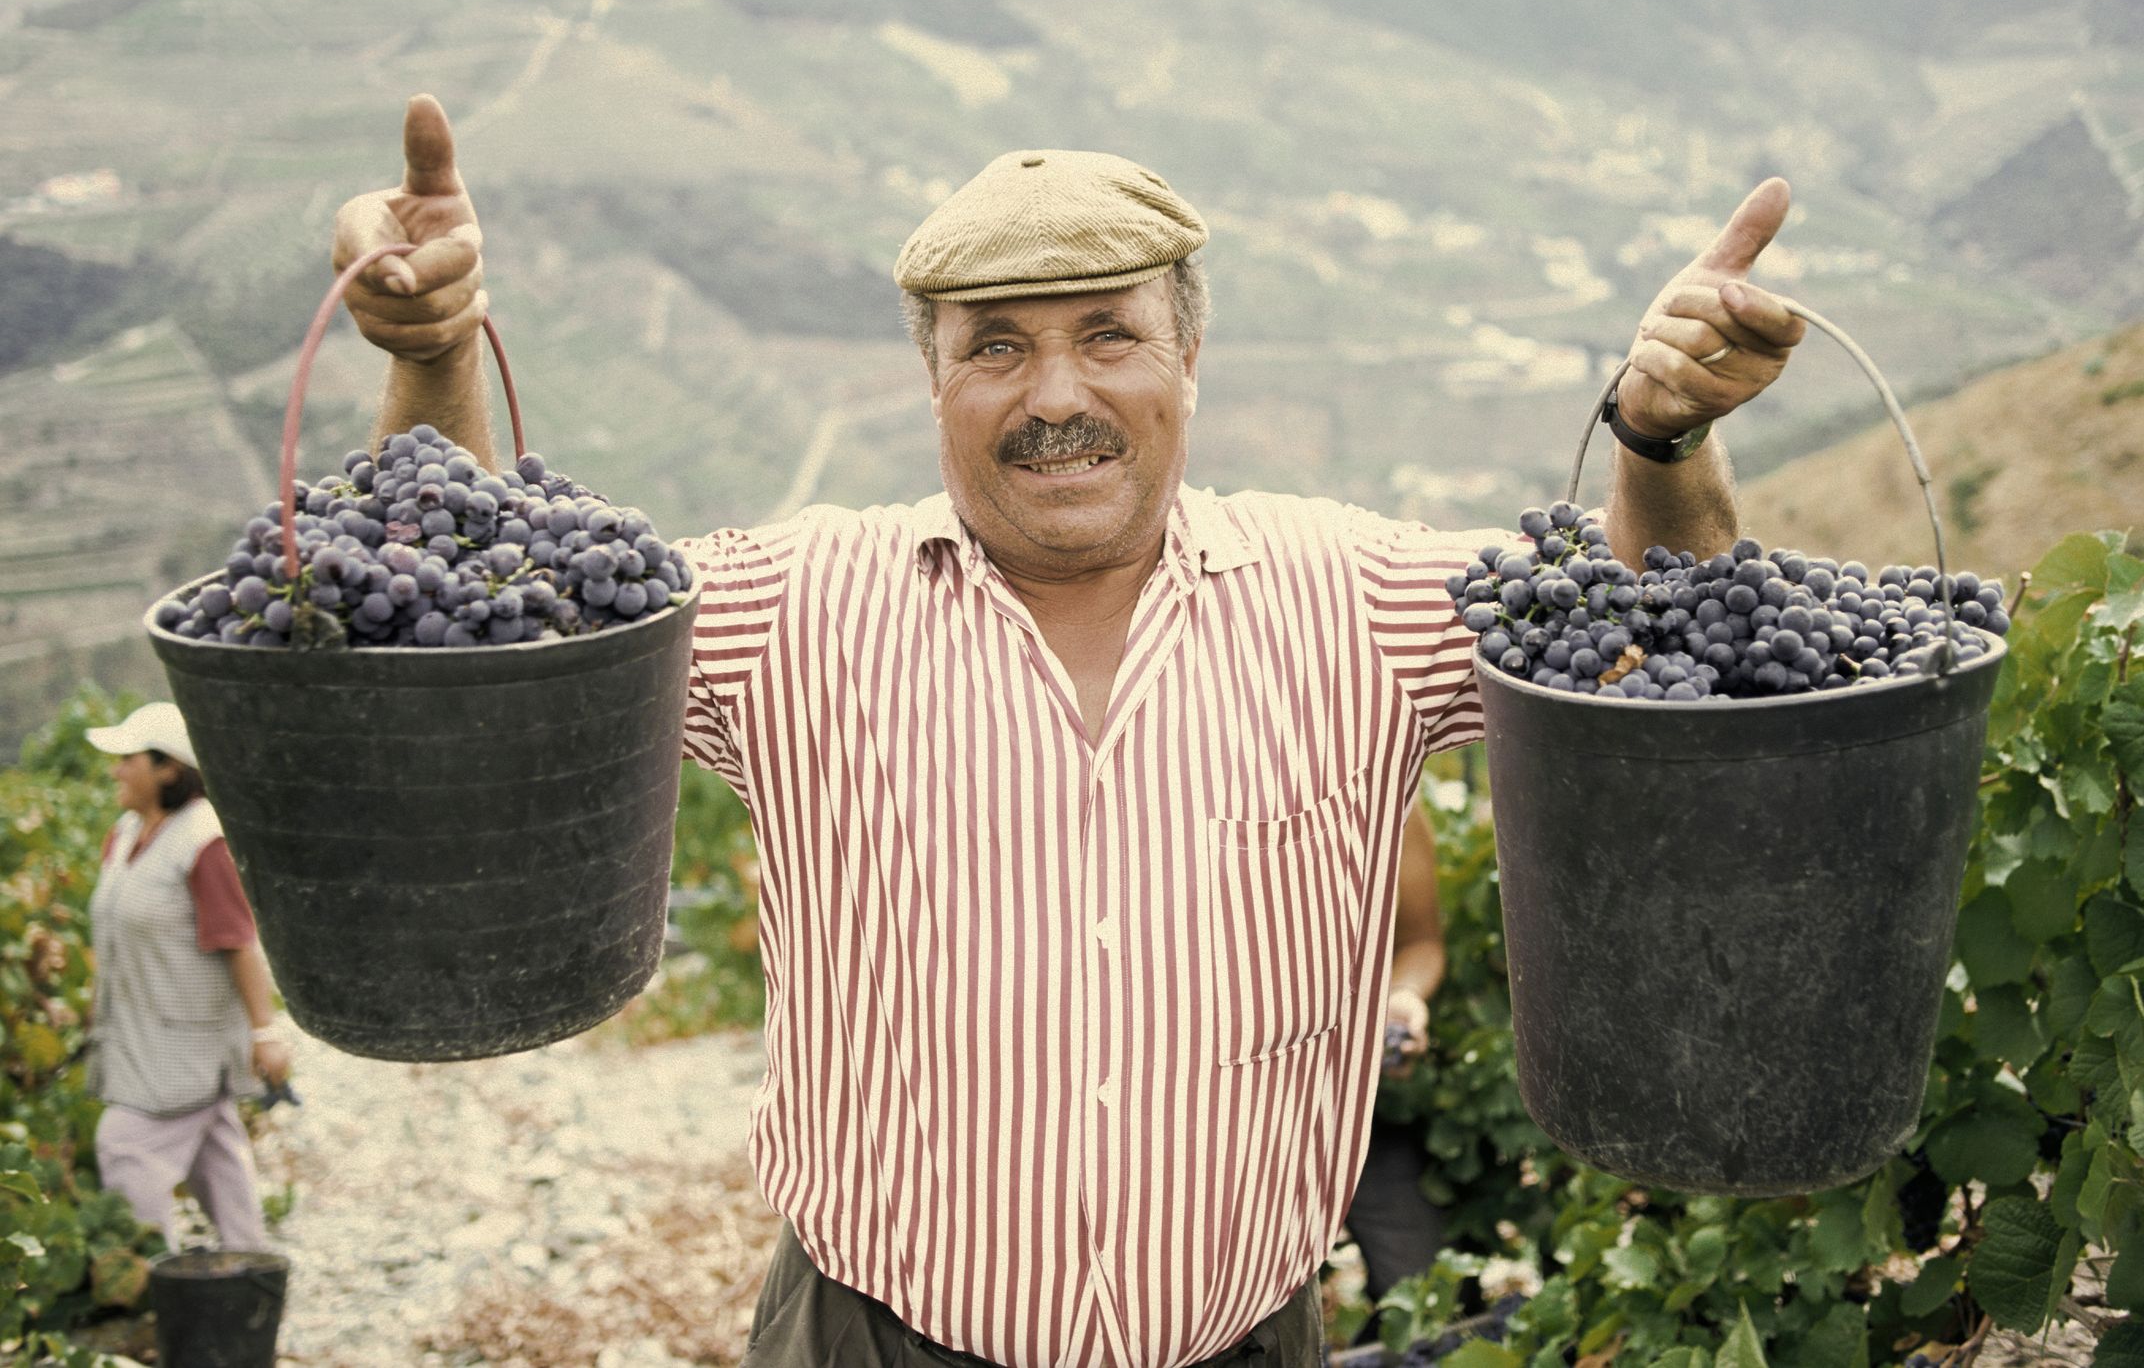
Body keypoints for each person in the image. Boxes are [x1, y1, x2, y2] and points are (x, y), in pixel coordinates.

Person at [330, 95, 1805, 1367]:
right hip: (873, 1337)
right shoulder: (791, 608)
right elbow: (484, 625)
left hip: (1248, 1334)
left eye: (1110, 335)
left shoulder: (1358, 597)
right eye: (996, 349)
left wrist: (1664, 438)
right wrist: (436, 354)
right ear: (932, 379)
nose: (1057, 398)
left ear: (1188, 357)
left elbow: (1653, 637)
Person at [83, 701, 291, 1253]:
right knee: (219, 1167)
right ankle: (252, 1283)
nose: (115, 771)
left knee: (125, 1146)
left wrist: (264, 1032)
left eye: (129, 759)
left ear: (167, 768)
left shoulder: (204, 841)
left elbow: (238, 942)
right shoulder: (125, 834)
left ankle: (155, 1281)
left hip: (185, 1045)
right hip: (137, 1038)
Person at [1346, 800, 1446, 1313]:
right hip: (1205, 1119)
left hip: (1354, 1101)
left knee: (1424, 1297)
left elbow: (1420, 941)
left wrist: (1399, 1000)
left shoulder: (1386, 798)